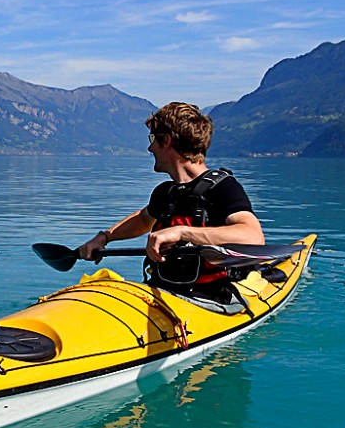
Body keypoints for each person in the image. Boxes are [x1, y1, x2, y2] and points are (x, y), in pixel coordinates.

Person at [77, 102, 264, 292]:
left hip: (211, 298)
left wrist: (181, 232)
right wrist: (104, 238)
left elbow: (253, 237)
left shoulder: (223, 188)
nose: (150, 148)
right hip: (163, 290)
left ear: (166, 141)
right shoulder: (166, 192)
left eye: (152, 139)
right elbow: (143, 220)